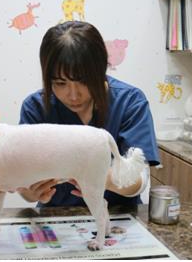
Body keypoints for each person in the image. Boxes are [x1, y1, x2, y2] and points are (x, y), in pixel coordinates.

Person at [18, 21, 160, 207]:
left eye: (84, 81)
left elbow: (139, 181)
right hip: (58, 217)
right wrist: (30, 192)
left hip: (119, 217)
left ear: (101, 70)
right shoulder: (35, 107)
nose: (73, 95)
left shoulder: (130, 102)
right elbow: (24, 184)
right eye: (60, 83)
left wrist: (103, 178)